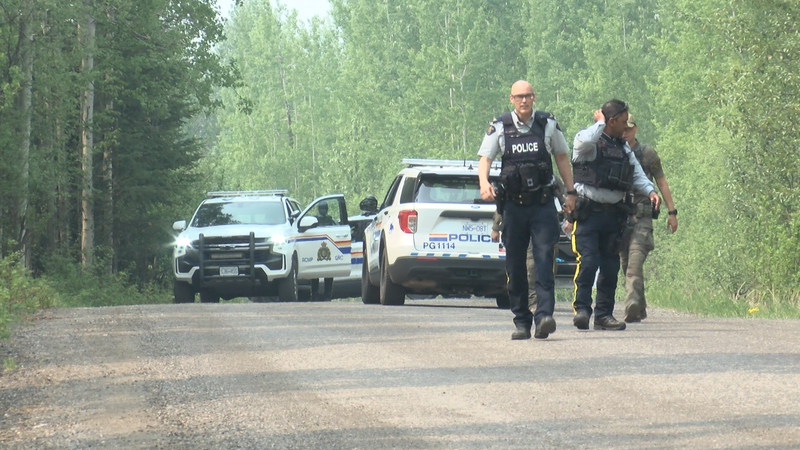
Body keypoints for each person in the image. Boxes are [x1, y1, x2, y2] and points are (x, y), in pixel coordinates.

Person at [478, 80, 576, 340]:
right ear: (511, 99)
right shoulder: (500, 127)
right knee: (516, 265)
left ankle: (544, 316)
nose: (524, 100)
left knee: (544, 260)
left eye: (528, 96)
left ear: (534, 97)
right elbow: (485, 159)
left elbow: (561, 157)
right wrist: (483, 183)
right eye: (519, 96)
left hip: (542, 205)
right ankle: (521, 321)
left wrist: (571, 192)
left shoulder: (547, 124)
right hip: (513, 207)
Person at [570, 100, 659, 331]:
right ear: (610, 121)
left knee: (610, 267)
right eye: (622, 122)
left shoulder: (623, 147)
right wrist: (599, 123)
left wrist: (650, 191)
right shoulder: (587, 141)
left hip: (613, 216)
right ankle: (582, 310)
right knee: (589, 262)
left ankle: (603, 315)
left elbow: (636, 174)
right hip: (589, 214)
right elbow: (584, 142)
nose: (625, 127)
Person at [619, 114, 678, 322]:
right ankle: (639, 307)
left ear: (635, 129)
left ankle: (631, 305)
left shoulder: (647, 154)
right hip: (620, 217)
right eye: (622, 129)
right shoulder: (614, 152)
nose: (625, 133)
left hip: (642, 216)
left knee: (634, 263)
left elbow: (661, 182)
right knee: (625, 264)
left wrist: (672, 212)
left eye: (628, 129)